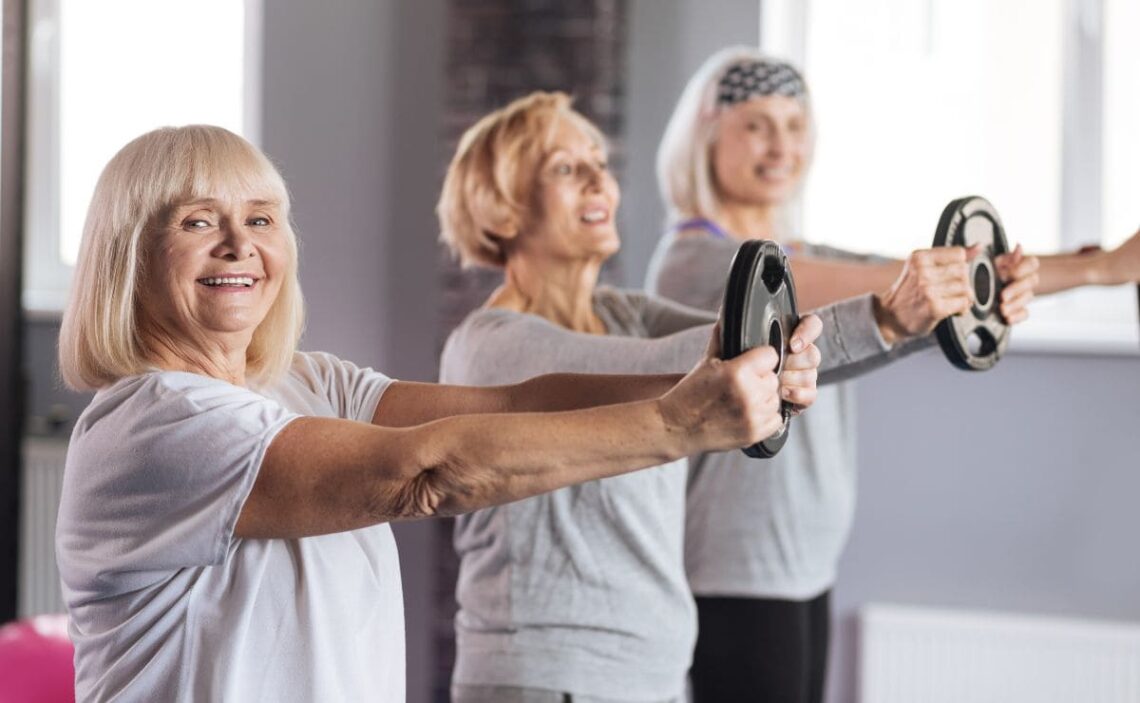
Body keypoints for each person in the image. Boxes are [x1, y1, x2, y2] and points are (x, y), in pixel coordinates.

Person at [54, 124, 794, 702]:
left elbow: (516, 402)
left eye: (261, 218)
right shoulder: (152, 426)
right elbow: (427, 472)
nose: (240, 245)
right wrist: (680, 425)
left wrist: (712, 376)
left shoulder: (307, 383)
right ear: (131, 254)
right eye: (196, 221)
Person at [433, 91, 1022, 703]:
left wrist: (926, 322)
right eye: (564, 168)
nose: (598, 181)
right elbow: (699, 364)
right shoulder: (493, 344)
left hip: (648, 674)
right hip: (549, 679)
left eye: (600, 164)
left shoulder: (622, 313)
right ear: (500, 212)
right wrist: (888, 317)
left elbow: (754, 343)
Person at [648, 47, 1045, 702]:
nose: (782, 145)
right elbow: (901, 286)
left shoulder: (800, 252)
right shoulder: (698, 261)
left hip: (807, 558)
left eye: (795, 125)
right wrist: (1090, 270)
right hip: (737, 565)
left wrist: (1055, 272)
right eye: (757, 124)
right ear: (707, 136)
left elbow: (921, 288)